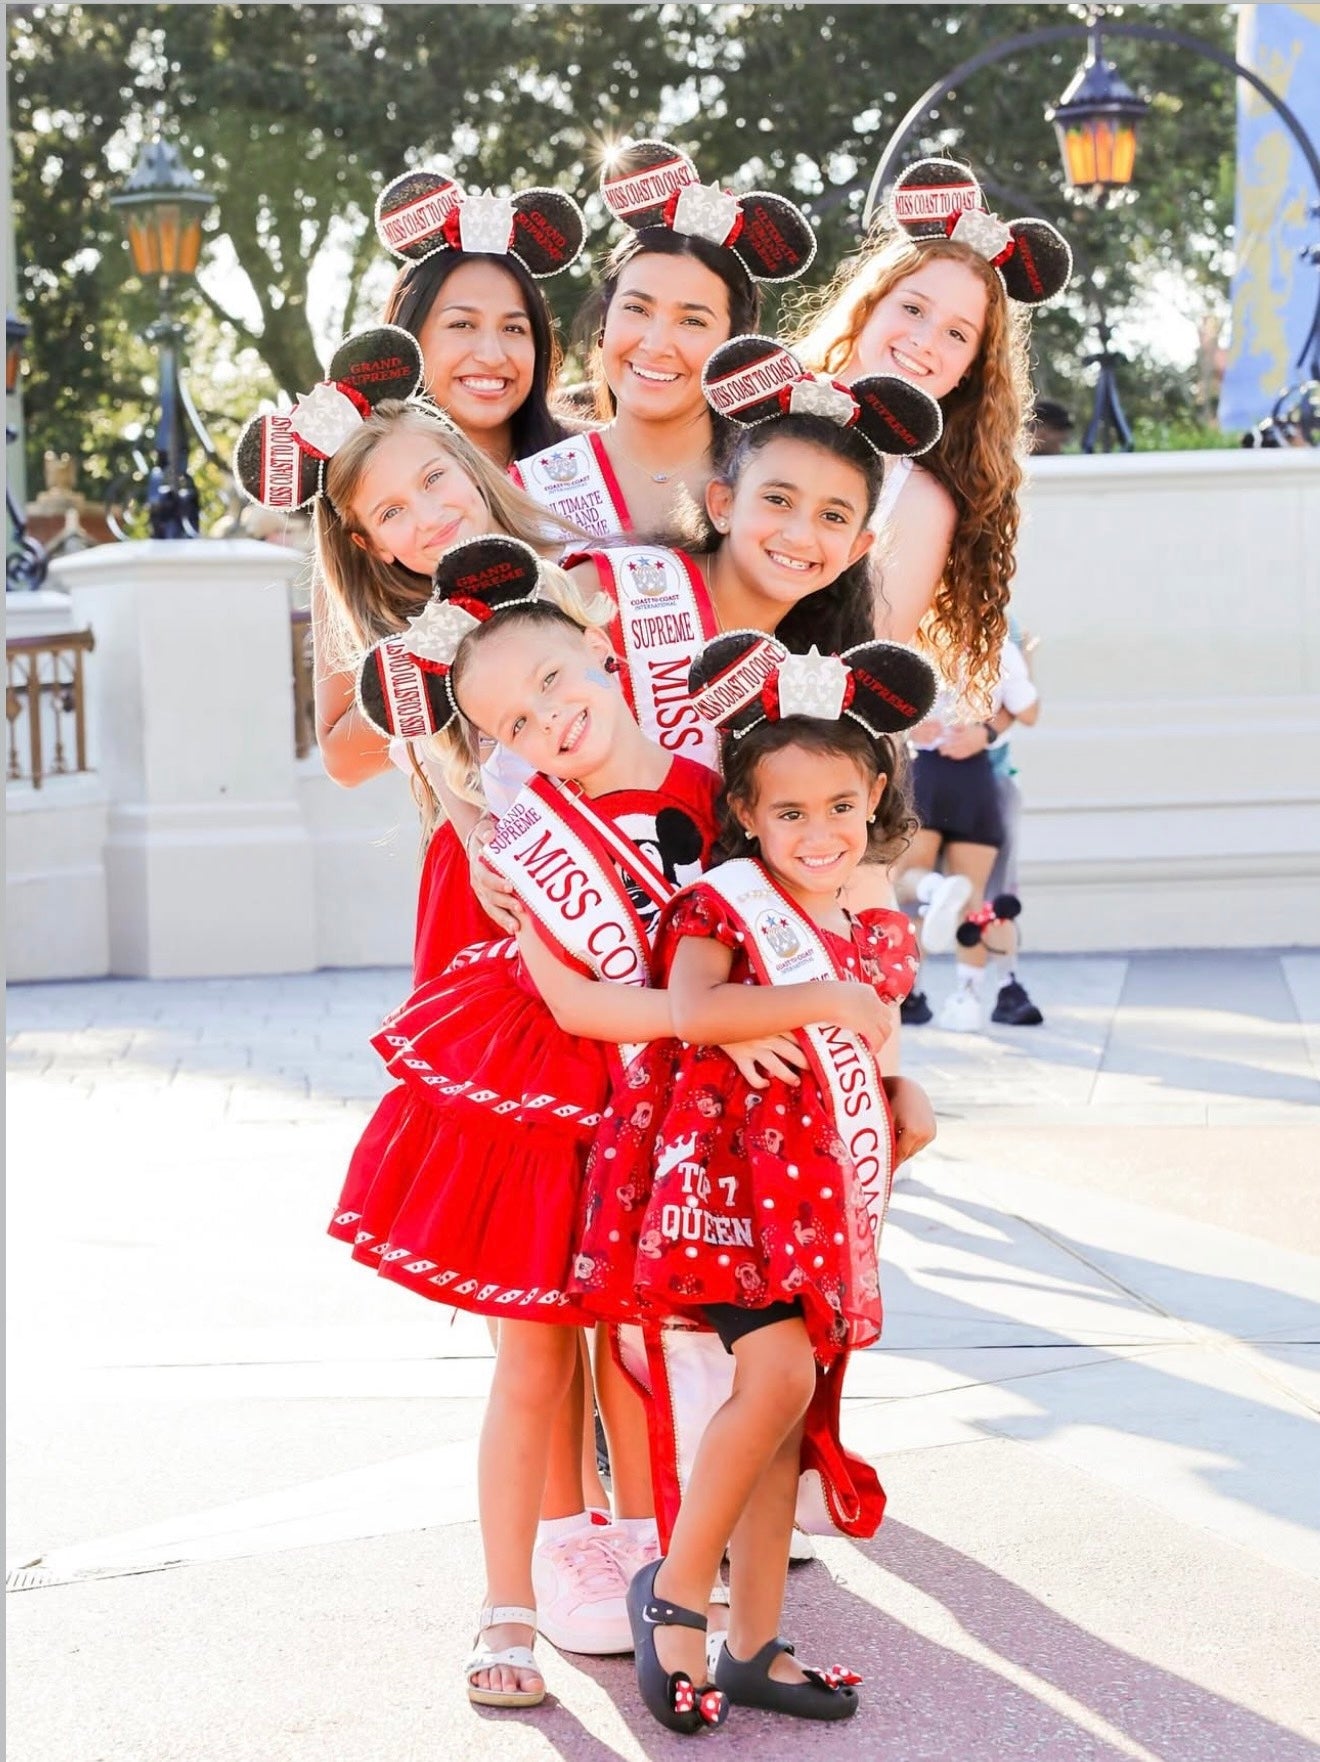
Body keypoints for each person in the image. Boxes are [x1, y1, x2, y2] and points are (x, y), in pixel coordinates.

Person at [337, 536, 724, 1709]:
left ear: (601, 646)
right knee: (535, 1351)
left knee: (647, 1349)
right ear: (499, 750)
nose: (549, 719)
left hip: (676, 1099)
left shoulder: (717, 787)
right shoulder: (532, 838)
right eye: (512, 721)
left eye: (556, 681)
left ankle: (666, 1574)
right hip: (560, 1089)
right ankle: (508, 1601)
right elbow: (567, 993)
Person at [572, 638, 939, 1731]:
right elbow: (696, 1011)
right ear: (745, 812)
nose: (819, 833)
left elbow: (866, 1056)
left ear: (874, 795)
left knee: (784, 1416)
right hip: (726, 1195)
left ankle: (754, 1647)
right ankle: (676, 1593)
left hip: (812, 1204)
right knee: (773, 1377)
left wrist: (907, 1098)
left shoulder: (866, 928)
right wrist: (817, 997)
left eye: (840, 806)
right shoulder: (725, 906)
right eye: (789, 815)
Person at [790, 157, 1071, 702]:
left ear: (971, 369)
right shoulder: (759, 399)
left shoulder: (919, 501)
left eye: (956, 334)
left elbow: (862, 671)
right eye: (913, 308)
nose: (924, 340)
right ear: (868, 305)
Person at [514, 138, 817, 539]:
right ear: (606, 319)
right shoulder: (529, 487)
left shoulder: (773, 489)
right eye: (637, 310)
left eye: (692, 322)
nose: (656, 344)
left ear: (735, 343)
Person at [895, 631, 1041, 1030]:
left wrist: (911, 727)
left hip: (926, 773)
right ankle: (968, 996)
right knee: (975, 896)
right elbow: (1028, 709)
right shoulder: (999, 642)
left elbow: (876, 706)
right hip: (977, 777)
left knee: (907, 883)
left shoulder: (911, 633)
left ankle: (933, 897)